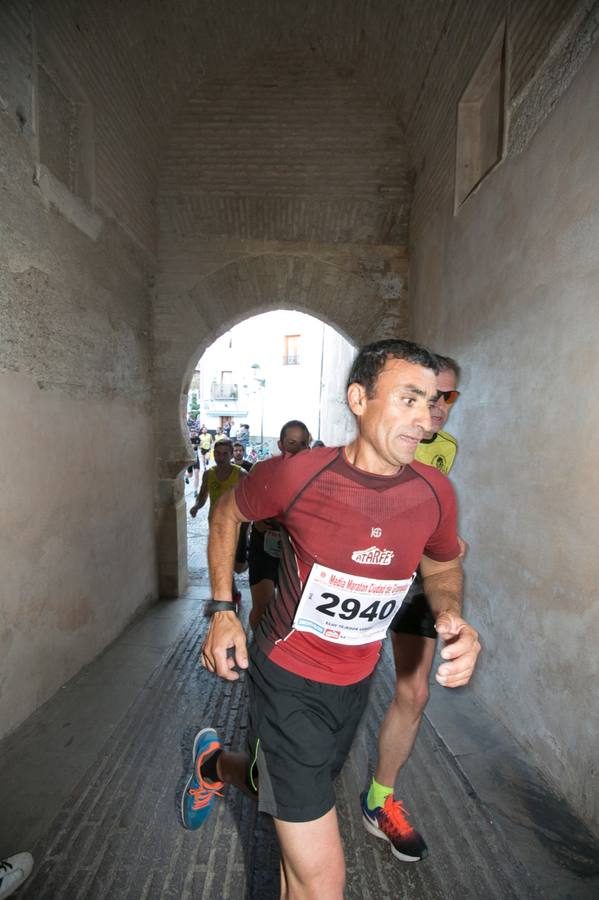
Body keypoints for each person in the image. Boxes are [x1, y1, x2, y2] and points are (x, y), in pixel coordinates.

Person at [181, 339, 481, 899]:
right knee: (323, 882)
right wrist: (222, 610)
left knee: (291, 797)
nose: (426, 419)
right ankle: (223, 767)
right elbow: (227, 510)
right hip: (287, 678)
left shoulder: (436, 492)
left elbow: (442, 565)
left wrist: (451, 616)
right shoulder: (297, 475)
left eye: (434, 401)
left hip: (353, 684)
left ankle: (215, 765)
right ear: (359, 398)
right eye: (410, 399)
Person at [364, 354, 462, 862]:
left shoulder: (444, 449)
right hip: (360, 575)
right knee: (327, 691)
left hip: (415, 585)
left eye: (448, 396)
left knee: (415, 693)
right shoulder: (379, 436)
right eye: (428, 394)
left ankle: (380, 800)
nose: (438, 407)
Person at [246, 420, 311, 630]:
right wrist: (257, 521)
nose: (296, 449)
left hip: (296, 549)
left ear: (308, 445)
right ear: (280, 444)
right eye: (291, 442)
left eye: (302, 443)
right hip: (263, 546)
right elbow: (244, 508)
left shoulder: (315, 476)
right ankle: (256, 649)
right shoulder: (262, 470)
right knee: (262, 606)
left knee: (294, 609)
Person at [189, 437, 247, 605]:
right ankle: (228, 595)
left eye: (225, 454)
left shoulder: (241, 474)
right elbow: (202, 497)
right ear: (214, 454)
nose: (221, 457)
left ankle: (232, 591)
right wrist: (196, 507)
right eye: (218, 453)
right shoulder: (209, 474)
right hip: (215, 524)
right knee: (222, 560)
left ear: (230, 455)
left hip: (235, 525)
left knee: (233, 562)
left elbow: (251, 497)